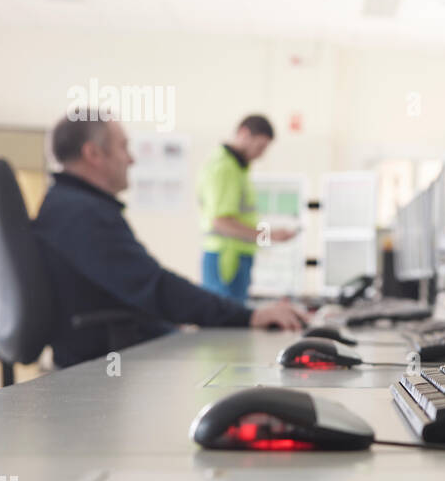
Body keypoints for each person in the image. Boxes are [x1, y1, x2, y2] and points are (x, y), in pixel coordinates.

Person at [34, 115, 307, 368]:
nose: (131, 159)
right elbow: (156, 283)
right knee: (231, 354)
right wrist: (250, 314)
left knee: (230, 344)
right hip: (223, 265)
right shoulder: (82, 214)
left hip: (120, 336)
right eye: (124, 147)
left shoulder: (73, 205)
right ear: (93, 153)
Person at [197, 115, 297, 300]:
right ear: (243, 133)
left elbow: (241, 218)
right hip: (226, 260)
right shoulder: (225, 168)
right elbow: (221, 222)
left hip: (237, 257)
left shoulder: (238, 169)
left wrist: (270, 234)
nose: (261, 154)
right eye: (260, 147)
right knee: (226, 322)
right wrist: (269, 236)